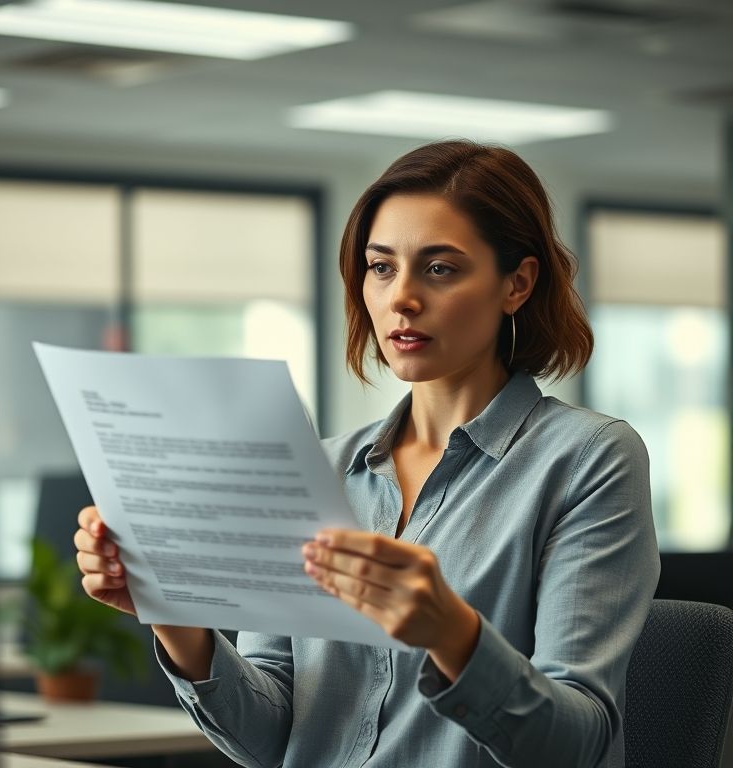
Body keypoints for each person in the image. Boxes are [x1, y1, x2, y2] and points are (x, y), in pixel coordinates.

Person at [74, 140, 659, 768]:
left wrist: (453, 635)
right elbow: (271, 740)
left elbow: (577, 746)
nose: (401, 297)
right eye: (381, 267)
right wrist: (174, 614)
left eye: (440, 268)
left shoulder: (589, 460)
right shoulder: (322, 468)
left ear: (517, 283)